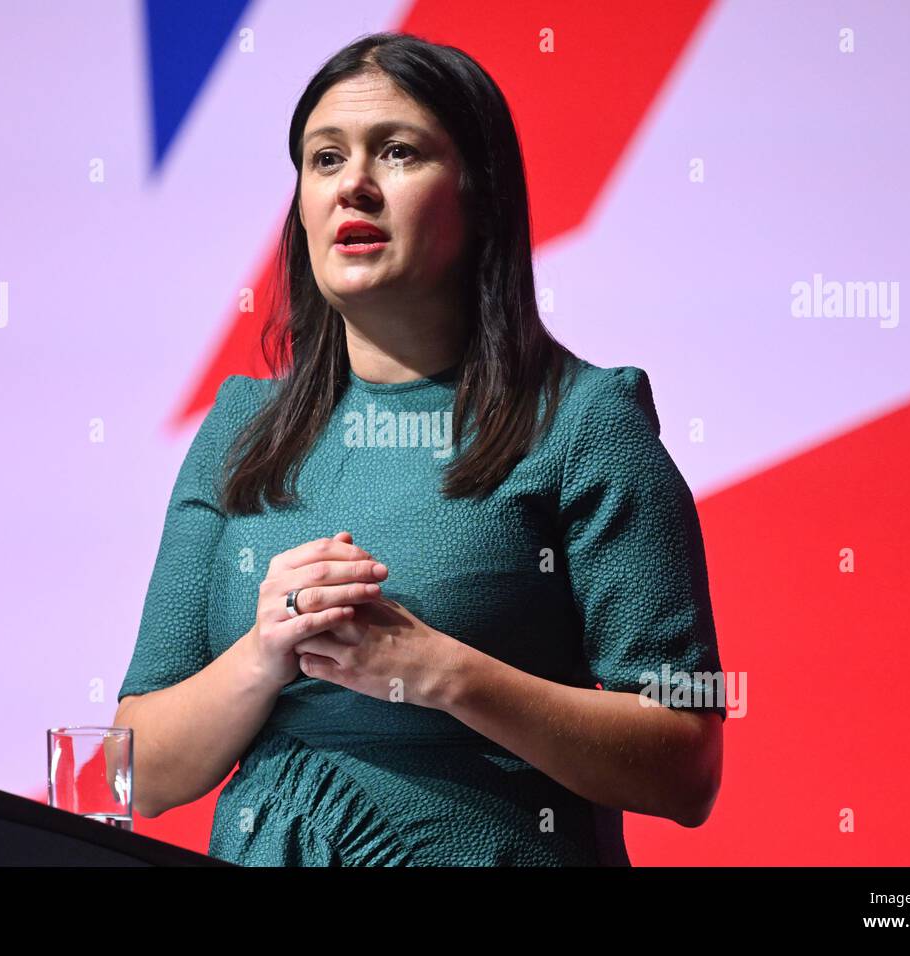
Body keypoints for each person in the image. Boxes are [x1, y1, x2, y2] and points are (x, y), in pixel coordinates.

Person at [115, 31, 726, 866]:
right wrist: (263, 656)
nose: (353, 186)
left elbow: (686, 760)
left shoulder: (587, 421)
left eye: (397, 153)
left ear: (479, 197)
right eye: (324, 159)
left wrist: (436, 671)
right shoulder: (240, 429)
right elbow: (136, 771)